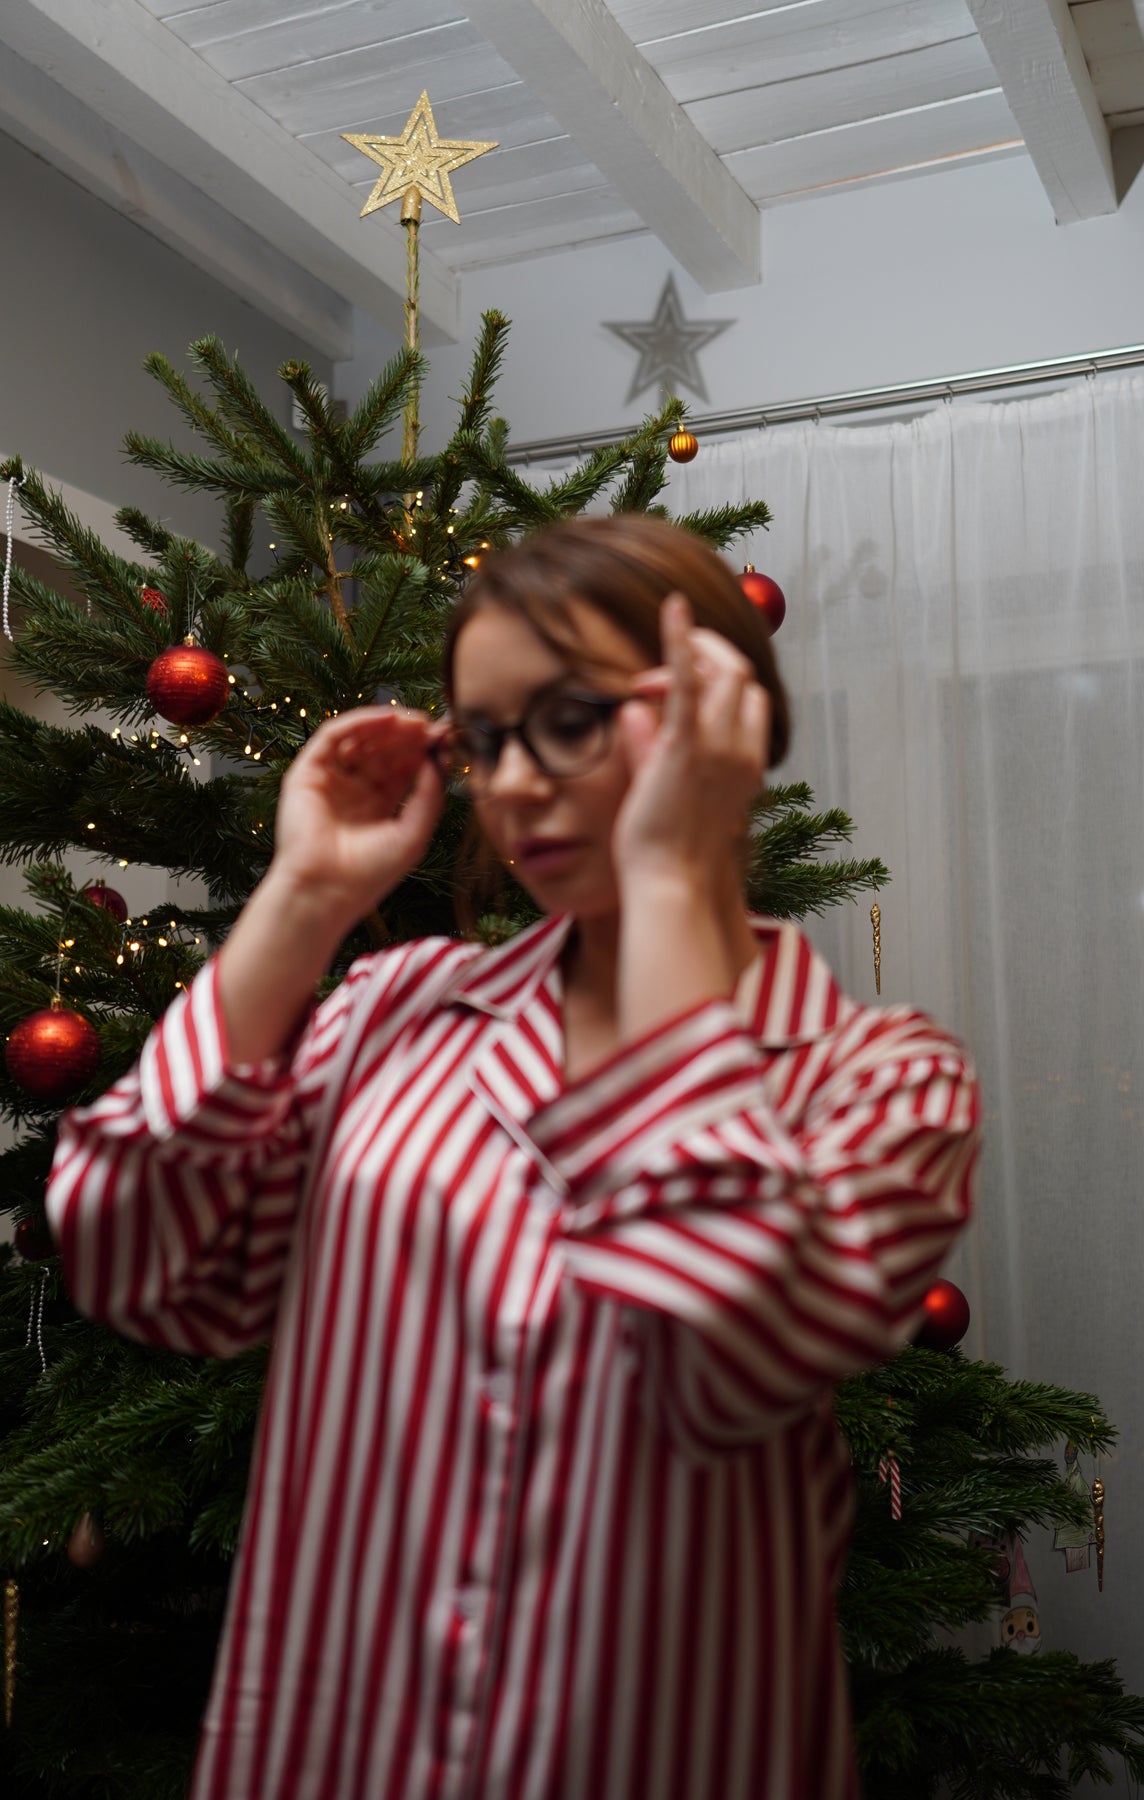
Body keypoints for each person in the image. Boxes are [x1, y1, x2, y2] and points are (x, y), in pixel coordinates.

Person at [47, 515, 979, 1800]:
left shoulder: (875, 1078)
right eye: (485, 740)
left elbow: (722, 1350)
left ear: (725, 723)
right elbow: (135, 1258)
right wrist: (304, 895)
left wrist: (667, 890)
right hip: (332, 1754)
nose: (517, 783)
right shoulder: (392, 1011)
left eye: (572, 720)